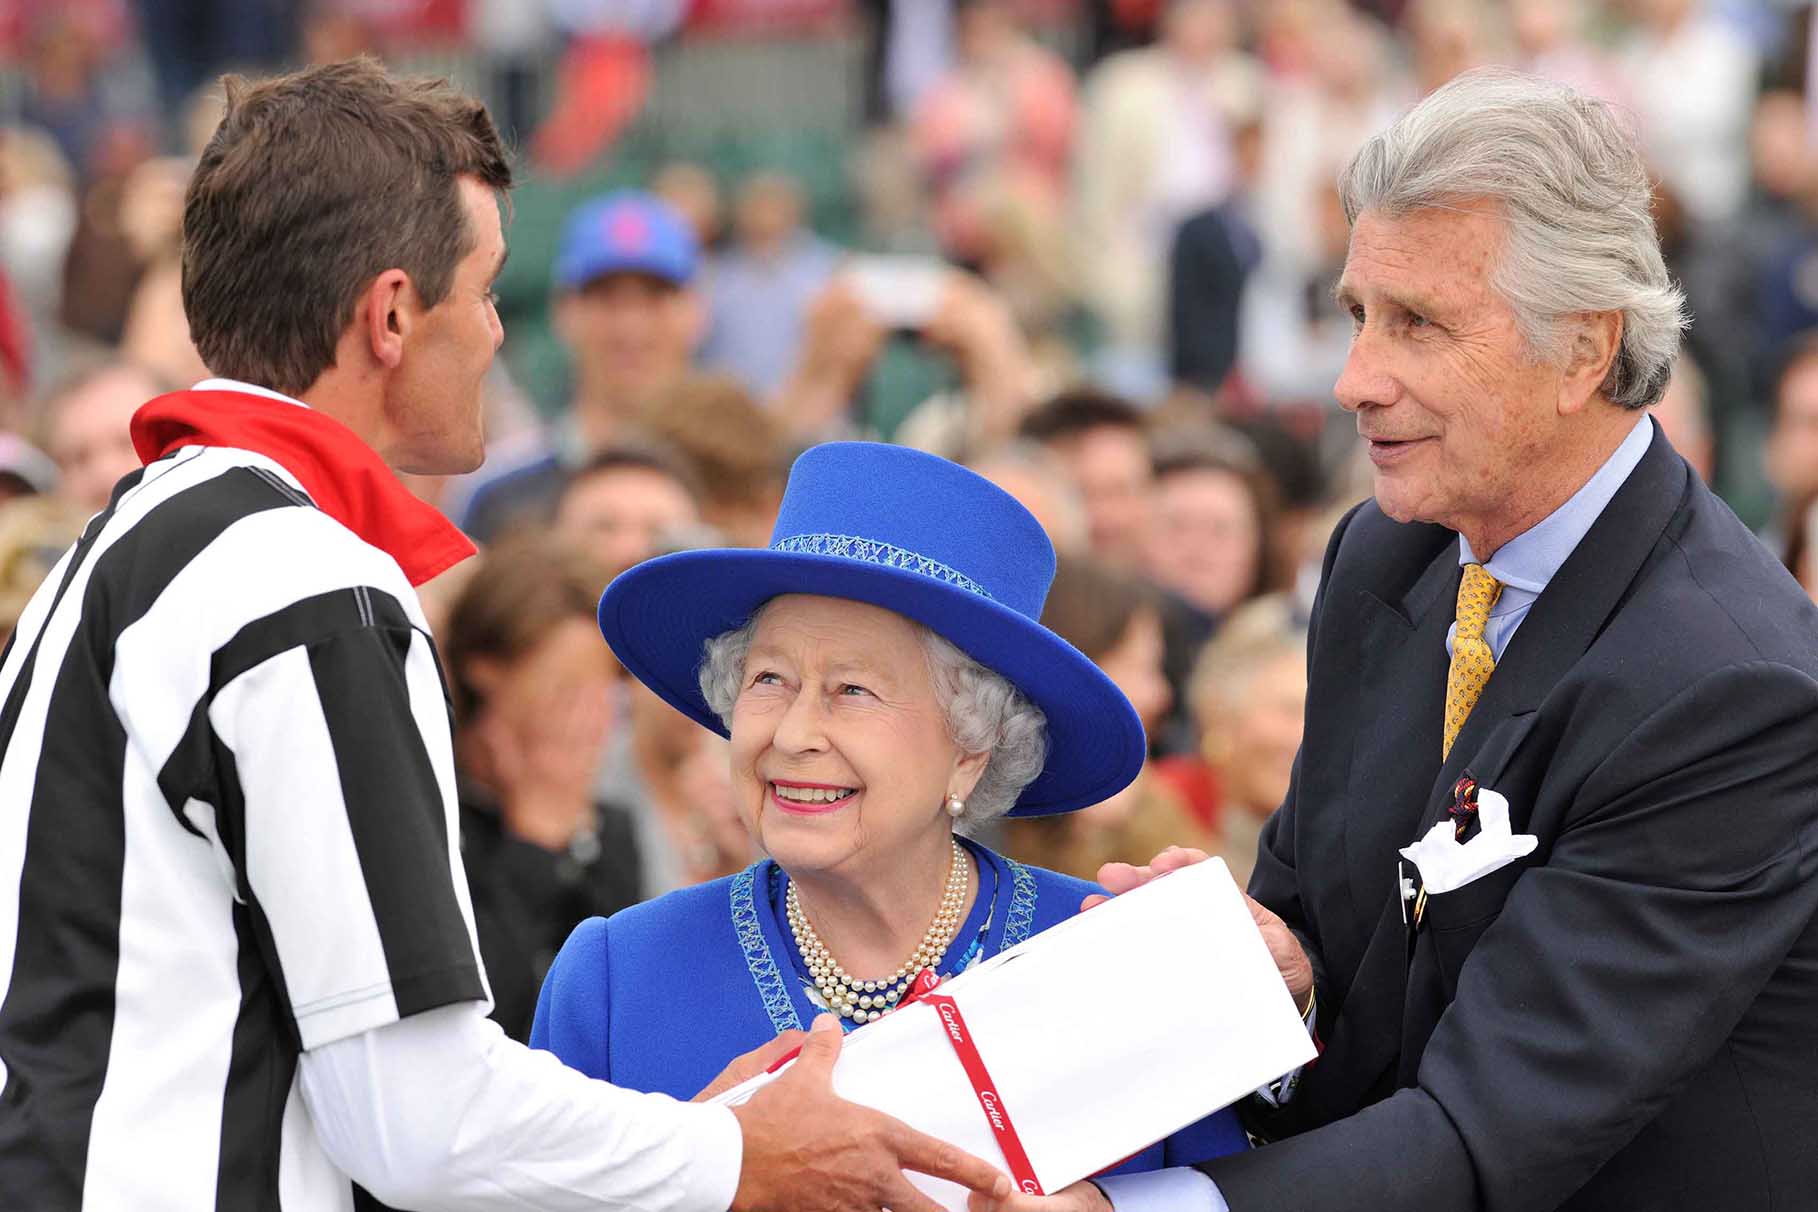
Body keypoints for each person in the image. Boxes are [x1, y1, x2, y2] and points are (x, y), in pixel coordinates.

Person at [0, 58, 1010, 1212]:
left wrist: (706, 1135)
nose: (492, 332)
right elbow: (412, 1119)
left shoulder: (122, 543)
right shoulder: (299, 580)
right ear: (389, 315)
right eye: (484, 290)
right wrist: (736, 1158)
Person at [985, 68, 1818, 1212]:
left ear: (1584, 350)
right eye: (1357, 315)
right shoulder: (1388, 557)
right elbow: (1341, 940)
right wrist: (1272, 978)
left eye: (1418, 324)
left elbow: (1489, 1133)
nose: (1353, 381)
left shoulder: (1732, 689)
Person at [532, 441, 1250, 1175]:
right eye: (770, 679)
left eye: (852, 691)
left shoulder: (1108, 964)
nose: (793, 734)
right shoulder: (617, 981)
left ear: (972, 745)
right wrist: (687, 1171)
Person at [444, 535, 644, 1042]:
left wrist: (571, 840)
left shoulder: (610, 827)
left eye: (603, 691)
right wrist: (534, 842)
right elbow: (483, 1020)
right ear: (484, 670)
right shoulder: (432, 812)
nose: (588, 717)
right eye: (564, 691)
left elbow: (617, 1017)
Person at [460, 190, 705, 542]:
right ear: (564, 311)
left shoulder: (737, 482)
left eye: (654, 298)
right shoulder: (501, 495)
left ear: (696, 311)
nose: (630, 327)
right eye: (606, 299)